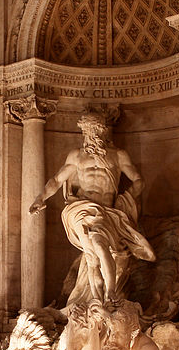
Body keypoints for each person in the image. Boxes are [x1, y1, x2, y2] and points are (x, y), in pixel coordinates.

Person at [29, 112, 155, 305]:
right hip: (82, 209)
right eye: (87, 131)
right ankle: (104, 295)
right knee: (94, 248)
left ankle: (105, 294)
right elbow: (56, 180)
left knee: (94, 254)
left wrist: (127, 197)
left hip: (106, 212)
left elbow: (138, 180)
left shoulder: (118, 155)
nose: (91, 134)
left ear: (103, 131)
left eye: (94, 130)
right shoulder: (77, 156)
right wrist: (40, 198)